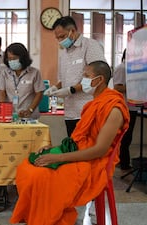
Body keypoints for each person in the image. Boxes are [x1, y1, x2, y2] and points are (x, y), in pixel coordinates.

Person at [10, 61, 130, 225]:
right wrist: (55, 149)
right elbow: (78, 141)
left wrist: (59, 158)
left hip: (93, 163)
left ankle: (49, 218)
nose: (83, 80)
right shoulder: (92, 104)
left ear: (99, 79)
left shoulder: (113, 108)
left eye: (86, 76)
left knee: (40, 175)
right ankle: (37, 217)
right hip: (80, 154)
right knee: (27, 166)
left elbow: (100, 150)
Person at [44, 16, 106, 136]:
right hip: (70, 112)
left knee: (87, 149)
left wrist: (71, 90)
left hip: (88, 109)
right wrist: (55, 88)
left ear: (72, 31)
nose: (60, 41)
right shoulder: (64, 53)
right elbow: (64, 79)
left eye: (62, 36)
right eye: (57, 38)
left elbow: (97, 77)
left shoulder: (90, 46)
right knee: (74, 148)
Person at [0, 42, 44, 119]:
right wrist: (3, 110)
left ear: (23, 58)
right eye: (9, 59)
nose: (12, 61)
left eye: (14, 58)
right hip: (10, 116)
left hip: (30, 116)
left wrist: (29, 110)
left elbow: (39, 93)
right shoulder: (5, 73)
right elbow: (2, 92)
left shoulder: (34, 73)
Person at [113, 49, 137, 171]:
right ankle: (124, 163)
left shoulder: (133, 69)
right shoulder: (122, 68)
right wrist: (134, 86)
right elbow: (117, 87)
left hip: (132, 107)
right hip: (124, 107)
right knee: (125, 137)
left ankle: (123, 161)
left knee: (128, 137)